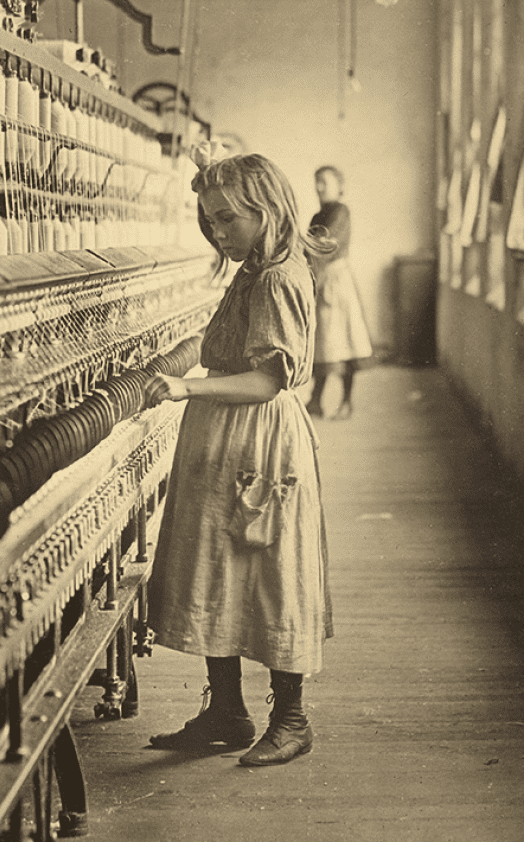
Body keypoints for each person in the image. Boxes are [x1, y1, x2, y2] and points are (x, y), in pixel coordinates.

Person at [143, 148, 334, 767]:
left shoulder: (278, 276)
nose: (217, 232)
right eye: (209, 220)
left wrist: (184, 385)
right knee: (216, 567)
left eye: (228, 219)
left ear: (267, 210)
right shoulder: (254, 268)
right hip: (226, 438)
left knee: (271, 572)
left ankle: (292, 718)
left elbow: (266, 381)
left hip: (257, 439)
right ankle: (226, 713)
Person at [306, 165, 373, 419]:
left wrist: (304, 249)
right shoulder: (316, 216)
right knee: (323, 343)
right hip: (322, 280)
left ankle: (346, 401)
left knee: (346, 342)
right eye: (317, 182)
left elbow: (326, 244)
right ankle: (316, 399)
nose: (319, 187)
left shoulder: (340, 212)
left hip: (337, 282)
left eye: (325, 182)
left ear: (339, 186)